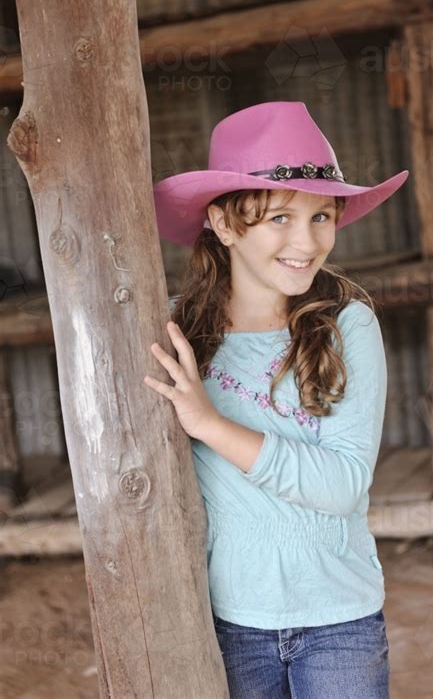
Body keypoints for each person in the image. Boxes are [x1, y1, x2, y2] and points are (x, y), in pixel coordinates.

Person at [144, 101, 409, 698]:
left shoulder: (349, 326)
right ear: (226, 223)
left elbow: (342, 485)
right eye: (280, 219)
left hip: (340, 619)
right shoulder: (176, 338)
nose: (307, 240)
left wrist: (209, 425)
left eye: (321, 217)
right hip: (228, 620)